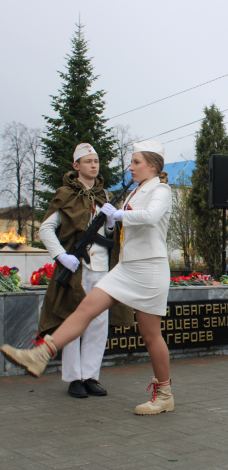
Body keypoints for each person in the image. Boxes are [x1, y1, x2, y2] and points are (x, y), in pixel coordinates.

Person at [1, 140, 173, 416]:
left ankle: (164, 393)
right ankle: (40, 354)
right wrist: (111, 219)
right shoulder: (136, 190)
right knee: (85, 309)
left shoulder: (161, 190)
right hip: (126, 267)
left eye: (135, 162)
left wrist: (115, 215)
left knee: (151, 334)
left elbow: (151, 217)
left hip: (150, 268)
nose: (130, 167)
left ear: (151, 165)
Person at [37, 143, 133, 399]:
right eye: (88, 161)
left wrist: (112, 223)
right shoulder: (65, 194)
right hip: (77, 268)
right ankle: (73, 378)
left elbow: (110, 237)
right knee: (72, 320)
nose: (94, 165)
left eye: (96, 161)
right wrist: (61, 256)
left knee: (99, 323)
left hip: (102, 269)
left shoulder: (105, 195)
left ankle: (91, 375)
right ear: (76, 166)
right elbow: (45, 229)